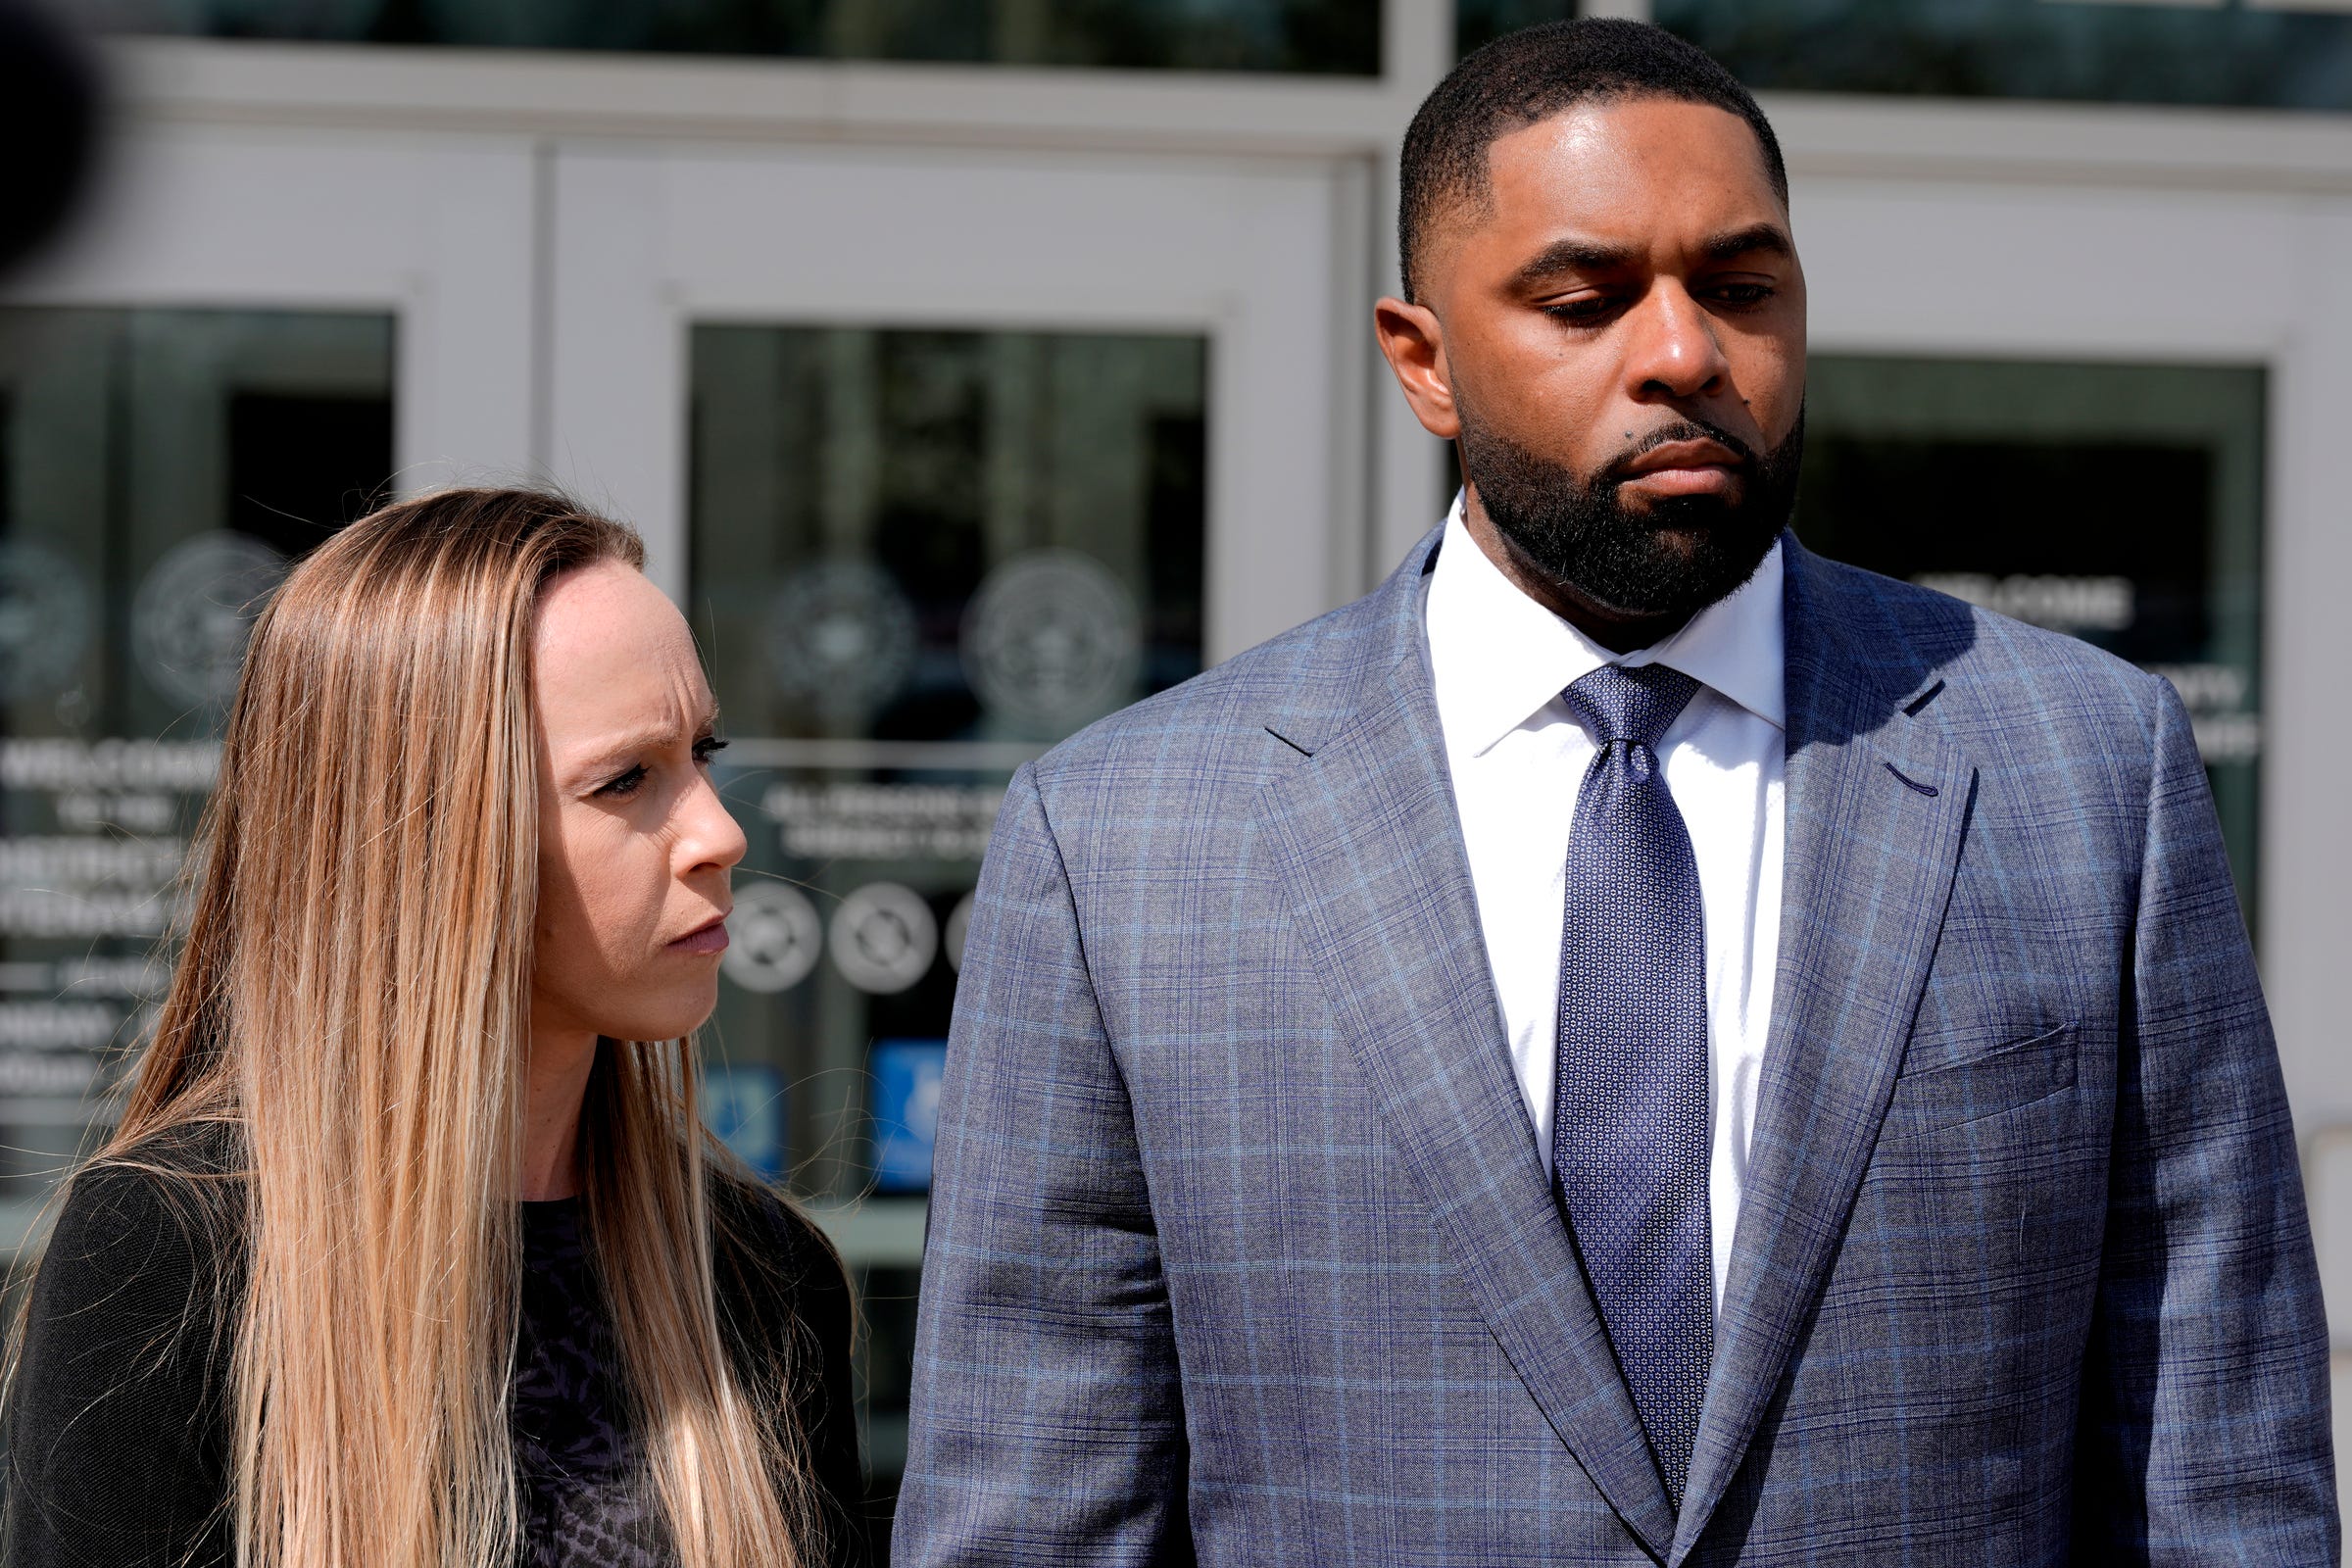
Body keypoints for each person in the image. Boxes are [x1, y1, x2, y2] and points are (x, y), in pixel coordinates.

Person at [895, 19, 2335, 1565]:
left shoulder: (2078, 767)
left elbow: (2218, 1470)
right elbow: (1034, 1513)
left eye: (1742, 287)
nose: (1683, 354)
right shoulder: (1124, 842)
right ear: (1424, 359)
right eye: (1585, 301)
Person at [3, 489, 864, 1568]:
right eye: (627, 779)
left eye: (705, 750)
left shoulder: (759, 1277)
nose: (720, 833)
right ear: (421, 834)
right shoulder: (169, 1254)